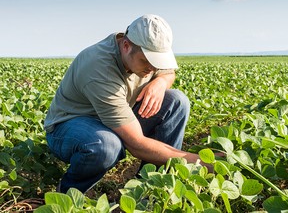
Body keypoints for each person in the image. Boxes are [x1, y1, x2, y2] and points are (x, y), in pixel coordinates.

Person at [44, 14, 206, 194]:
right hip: (71, 126)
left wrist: (160, 83)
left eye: (157, 62)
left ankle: (151, 187)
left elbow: (168, 73)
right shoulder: (99, 68)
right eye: (147, 62)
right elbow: (136, 144)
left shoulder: (145, 49)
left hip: (116, 117)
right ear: (126, 46)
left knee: (176, 101)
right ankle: (67, 194)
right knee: (106, 145)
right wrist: (200, 163)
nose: (152, 69)